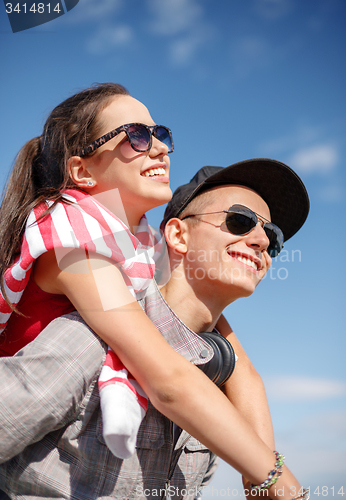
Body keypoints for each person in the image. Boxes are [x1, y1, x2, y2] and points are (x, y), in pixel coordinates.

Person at [0, 128, 310, 499]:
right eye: (239, 221)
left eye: (272, 236)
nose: (261, 241)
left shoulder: (216, 390)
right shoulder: (90, 341)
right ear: (178, 236)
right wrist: (274, 475)